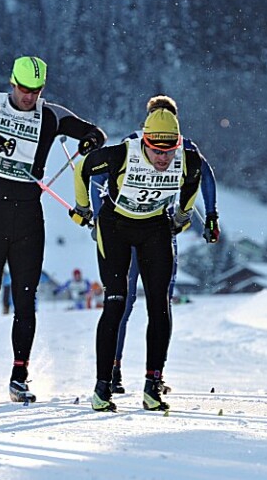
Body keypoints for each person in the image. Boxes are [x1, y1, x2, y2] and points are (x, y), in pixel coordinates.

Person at [0, 56, 106, 404]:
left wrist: (90, 142)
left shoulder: (51, 115)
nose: (28, 97)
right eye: (23, 89)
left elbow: (95, 132)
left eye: (35, 91)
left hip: (28, 219)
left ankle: (19, 378)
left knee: (25, 301)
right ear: (12, 83)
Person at [70, 108, 203, 412]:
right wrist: (83, 208)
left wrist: (182, 216)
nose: (162, 158)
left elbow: (193, 182)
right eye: (156, 150)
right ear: (145, 141)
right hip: (115, 226)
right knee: (116, 302)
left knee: (159, 305)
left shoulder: (187, 160)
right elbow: (82, 168)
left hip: (154, 227)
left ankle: (153, 385)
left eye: (168, 151)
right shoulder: (121, 154)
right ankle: (102, 387)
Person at [89, 95, 220, 395]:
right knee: (154, 304)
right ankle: (145, 374)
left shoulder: (146, 142)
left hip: (145, 229)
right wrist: (210, 216)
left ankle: (118, 370)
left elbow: (100, 181)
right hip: (151, 229)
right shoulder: (173, 145)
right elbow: (206, 178)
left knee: (131, 303)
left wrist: (96, 217)